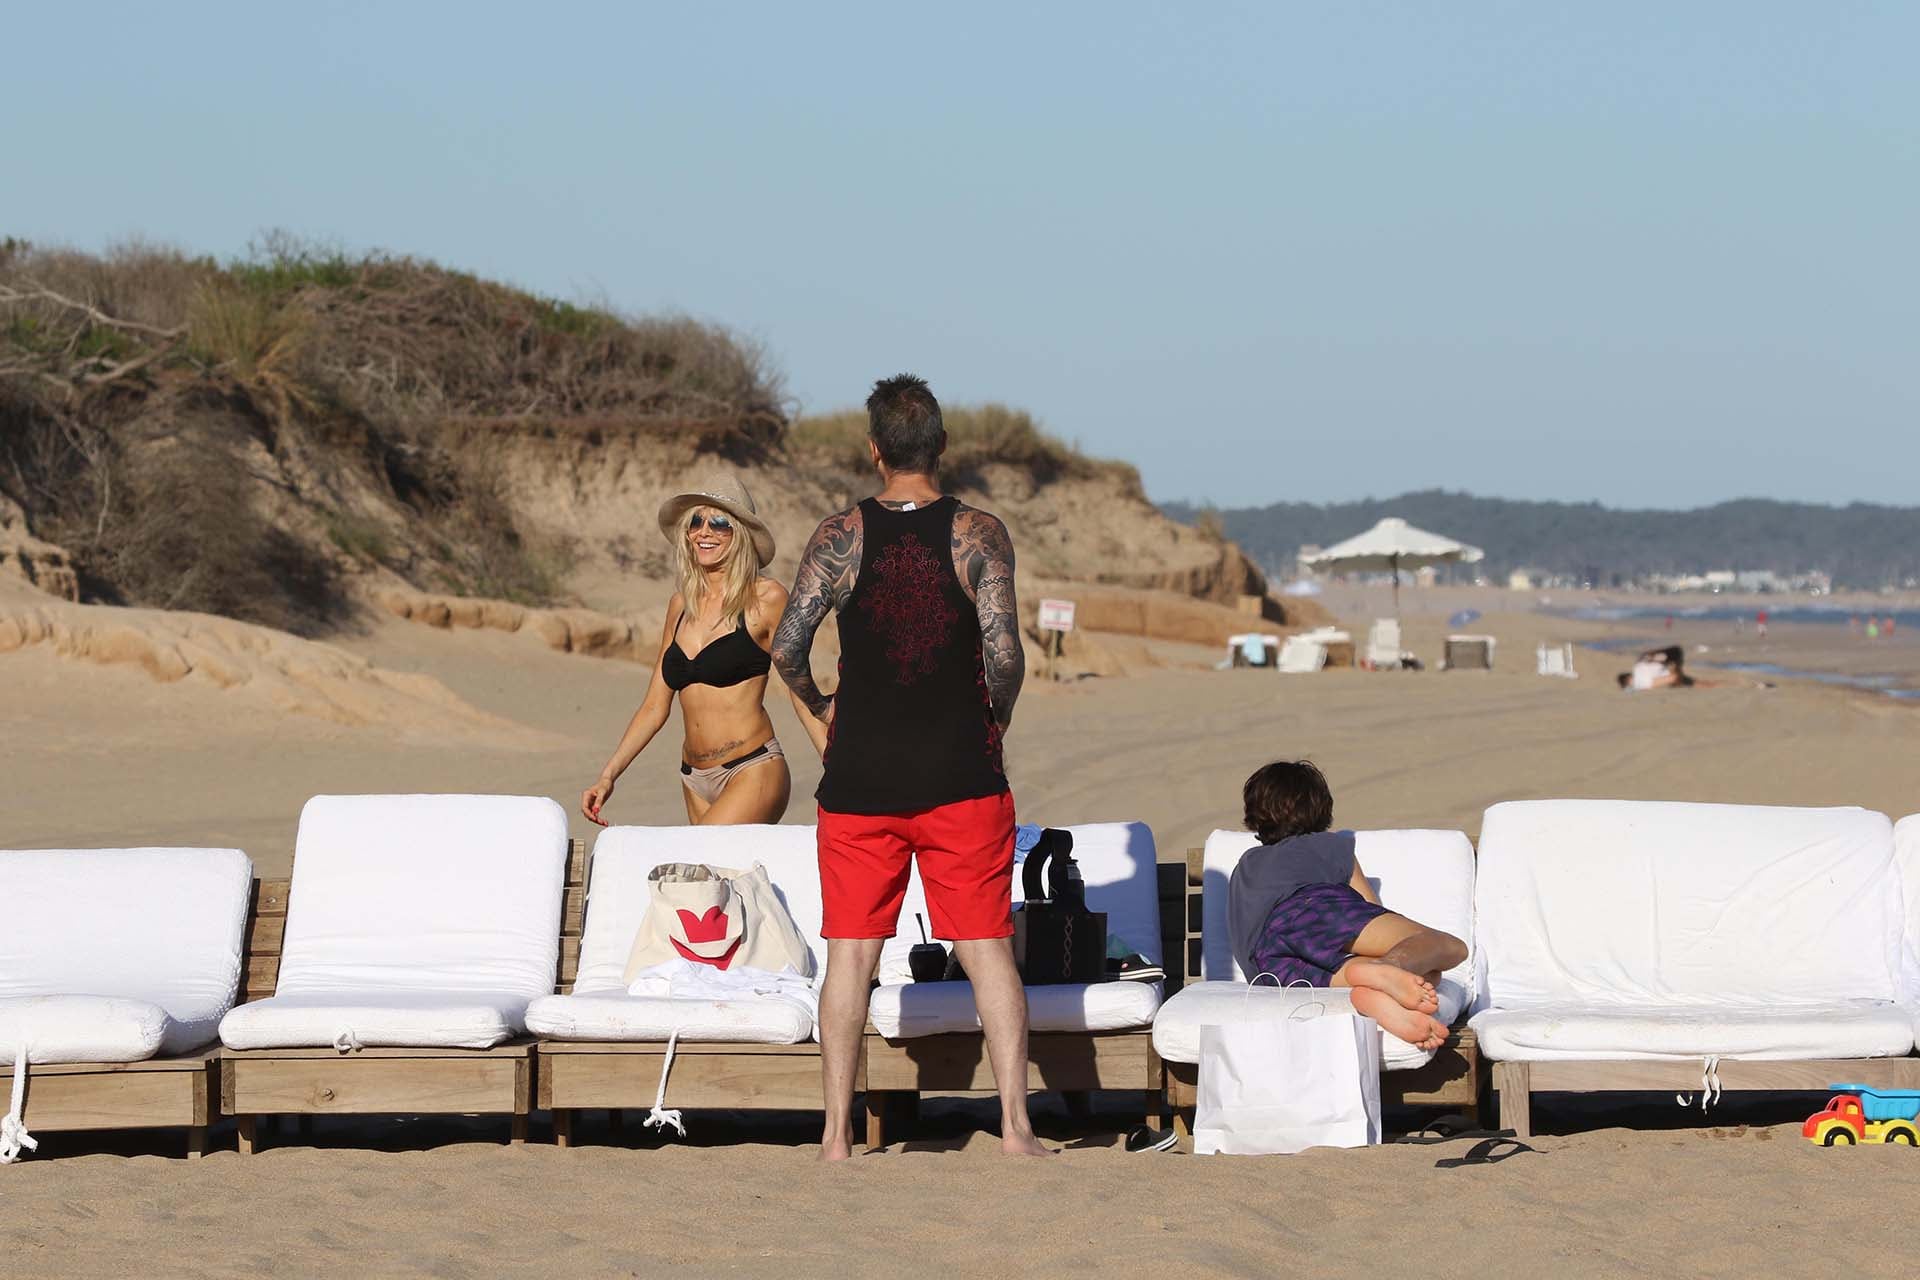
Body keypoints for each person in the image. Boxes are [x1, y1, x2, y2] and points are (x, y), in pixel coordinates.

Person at [771, 373, 1041, 1160]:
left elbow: (787, 648)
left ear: (874, 449)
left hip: (860, 781)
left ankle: (833, 1139)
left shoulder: (838, 536)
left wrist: (824, 710)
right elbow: (1005, 651)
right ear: (942, 446)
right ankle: (1017, 1130)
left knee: (852, 951)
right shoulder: (981, 534)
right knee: (986, 945)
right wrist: (999, 715)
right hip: (963, 775)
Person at [580, 477, 807, 827]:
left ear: (741, 534)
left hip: (752, 768)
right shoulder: (680, 606)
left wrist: (833, 763)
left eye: (719, 523)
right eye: (696, 522)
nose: (705, 531)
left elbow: (799, 690)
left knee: (700, 861)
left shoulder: (767, 598)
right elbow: (655, 706)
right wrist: (609, 775)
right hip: (693, 779)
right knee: (717, 881)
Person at [1227, 760, 1467, 1050]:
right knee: (1445, 947)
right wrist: (1391, 961)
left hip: (1268, 963)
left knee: (1427, 974)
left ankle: (1368, 990)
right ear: (1320, 807)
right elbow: (1370, 908)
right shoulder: (1329, 846)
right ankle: (1383, 973)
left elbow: (1242, 934)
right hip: (1315, 908)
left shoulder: (1246, 866)